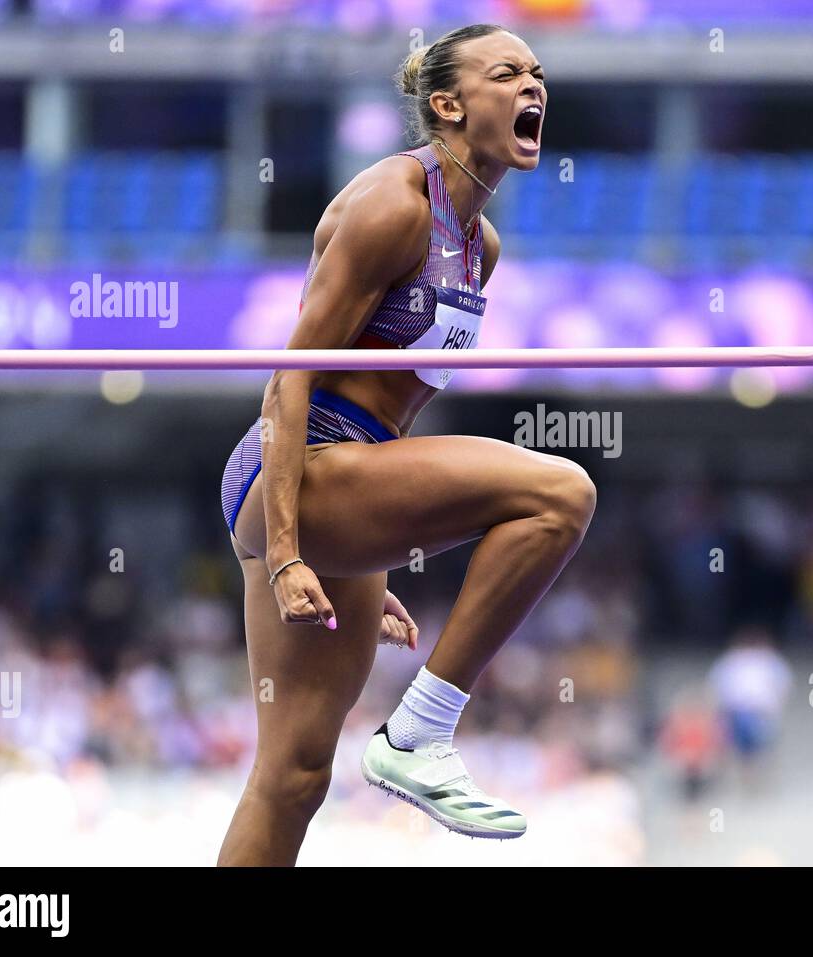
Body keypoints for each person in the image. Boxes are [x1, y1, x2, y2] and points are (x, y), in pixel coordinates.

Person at [217, 24, 596, 865]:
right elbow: (289, 380)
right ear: (448, 106)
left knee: (293, 775)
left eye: (538, 72)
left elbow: (402, 399)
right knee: (562, 492)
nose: (533, 85)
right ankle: (420, 733)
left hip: (353, 479)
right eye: (508, 74)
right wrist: (288, 549)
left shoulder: (480, 248)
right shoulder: (394, 205)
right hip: (303, 465)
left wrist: (378, 540)